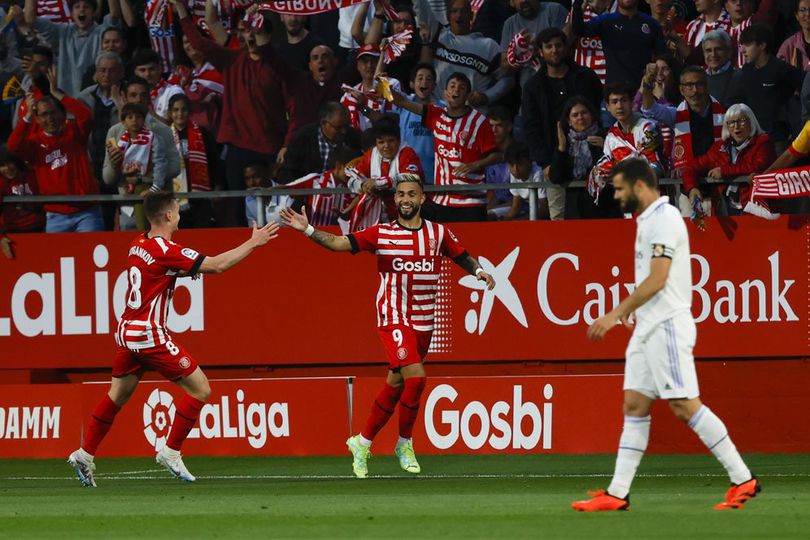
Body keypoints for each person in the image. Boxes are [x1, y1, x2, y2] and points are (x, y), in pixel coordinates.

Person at [571, 157, 760, 512]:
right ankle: (617, 492)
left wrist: (617, 312)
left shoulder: (665, 218)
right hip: (648, 328)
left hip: (667, 326)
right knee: (634, 405)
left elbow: (658, 279)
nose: (616, 196)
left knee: (684, 406)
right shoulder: (646, 220)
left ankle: (742, 478)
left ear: (640, 186)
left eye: (620, 188)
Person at [279, 176, 495, 479]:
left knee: (397, 384)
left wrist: (481, 271)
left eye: (411, 194)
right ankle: (404, 444)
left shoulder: (438, 234)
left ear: (422, 199)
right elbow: (340, 244)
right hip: (393, 317)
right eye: (401, 194)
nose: (405, 199)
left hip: (423, 322)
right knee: (416, 378)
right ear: (395, 201)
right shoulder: (381, 234)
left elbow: (462, 256)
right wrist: (309, 230)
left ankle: (361, 442)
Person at [68, 191, 280, 488]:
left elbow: (157, 272)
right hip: (149, 334)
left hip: (127, 331)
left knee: (117, 395)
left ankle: (85, 454)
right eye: (177, 212)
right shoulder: (166, 249)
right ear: (168, 215)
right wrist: (253, 242)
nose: (179, 216)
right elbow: (218, 265)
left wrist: (180, 272)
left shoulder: (137, 244)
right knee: (201, 389)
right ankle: (170, 451)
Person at [391, 72, 501, 222]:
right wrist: (381, 81)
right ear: (445, 93)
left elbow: (497, 155)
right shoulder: (436, 114)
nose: (456, 91)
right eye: (452, 86)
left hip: (471, 202)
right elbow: (402, 102)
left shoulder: (479, 121)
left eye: (461, 88)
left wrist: (475, 165)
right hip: (442, 200)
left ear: (468, 95)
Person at [521, 27, 602, 219]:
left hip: (593, 158)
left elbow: (599, 111)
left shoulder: (586, 77)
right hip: (555, 162)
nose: (554, 50)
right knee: (559, 219)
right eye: (548, 46)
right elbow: (531, 127)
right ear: (540, 51)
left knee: (598, 217)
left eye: (558, 45)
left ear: (566, 48)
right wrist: (546, 162)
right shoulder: (533, 86)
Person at [7, 69, 103, 233]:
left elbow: (86, 115)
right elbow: (13, 146)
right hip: (55, 214)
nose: (49, 118)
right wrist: (28, 116)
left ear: (62, 114)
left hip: (87, 210)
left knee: (88, 256)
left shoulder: (74, 133)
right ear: (37, 119)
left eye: (53, 113)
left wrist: (57, 94)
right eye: (43, 115)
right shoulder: (34, 144)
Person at [683, 103, 774, 214]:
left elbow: (758, 166)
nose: (736, 126)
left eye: (741, 120)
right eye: (731, 122)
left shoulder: (763, 142)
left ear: (751, 122)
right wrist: (692, 188)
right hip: (725, 209)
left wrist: (724, 171)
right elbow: (690, 168)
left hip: (754, 208)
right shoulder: (719, 147)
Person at [424, 0, 514, 109]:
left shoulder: (489, 46)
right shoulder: (439, 37)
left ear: (471, 16)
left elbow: (507, 79)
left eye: (464, 11)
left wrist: (487, 96)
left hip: (471, 119)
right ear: (448, 16)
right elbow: (422, 8)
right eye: (455, 11)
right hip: (439, 115)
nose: (459, 15)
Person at [23, 0, 122, 97]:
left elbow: (114, 16)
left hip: (94, 101)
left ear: (93, 12)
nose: (82, 10)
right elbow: (30, 20)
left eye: (87, 7)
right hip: (66, 101)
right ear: (72, 13)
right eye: (77, 7)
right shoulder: (61, 31)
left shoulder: (102, 32)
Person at [548, 96, 622, 219]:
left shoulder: (607, 136)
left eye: (584, 113)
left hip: (604, 210)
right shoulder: (566, 143)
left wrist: (605, 147)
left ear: (592, 115)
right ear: (569, 121)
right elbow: (556, 177)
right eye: (575, 115)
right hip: (575, 212)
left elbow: (619, 168)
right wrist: (561, 148)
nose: (580, 117)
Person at [735, 24, 804, 152]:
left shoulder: (780, 69)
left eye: (748, 44)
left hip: (779, 141)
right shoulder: (746, 71)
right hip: (754, 140)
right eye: (742, 45)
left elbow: (805, 84)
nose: (743, 50)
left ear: (762, 45)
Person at [570, 0, 666, 89]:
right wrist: (578, 4)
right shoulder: (606, 21)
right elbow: (578, 30)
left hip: (642, 90)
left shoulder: (651, 24)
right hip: (614, 91)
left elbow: (662, 56)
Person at [277, 102, 362, 184]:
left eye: (346, 126)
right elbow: (287, 173)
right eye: (338, 127)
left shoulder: (354, 138)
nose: (344, 131)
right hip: (309, 192)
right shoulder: (303, 137)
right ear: (323, 123)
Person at [500, 0, 568, 88]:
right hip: (529, 90)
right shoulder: (509, 24)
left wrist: (534, 48)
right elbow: (505, 69)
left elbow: (565, 48)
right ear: (512, 3)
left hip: (560, 84)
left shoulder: (554, 10)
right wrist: (516, 53)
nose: (524, 0)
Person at [502, 141, 549, 220]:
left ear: (529, 161)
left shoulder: (538, 173)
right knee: (491, 214)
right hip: (526, 209)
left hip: (542, 215)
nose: (515, 169)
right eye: (511, 165)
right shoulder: (514, 174)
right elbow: (516, 206)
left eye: (520, 164)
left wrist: (520, 221)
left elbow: (544, 210)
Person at [702, 30, 740, 107]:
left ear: (728, 52)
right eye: (708, 50)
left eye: (718, 49)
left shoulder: (740, 77)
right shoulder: (700, 77)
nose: (713, 54)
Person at [777, 0, 810, 72]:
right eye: (802, 10)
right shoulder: (789, 45)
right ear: (796, 16)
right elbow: (779, 74)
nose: (807, 14)